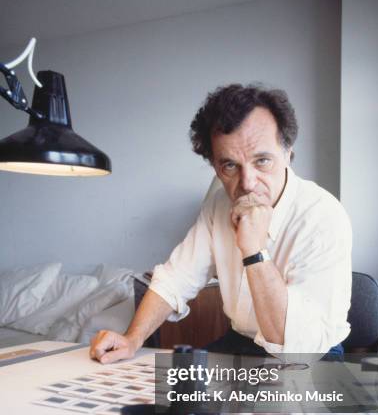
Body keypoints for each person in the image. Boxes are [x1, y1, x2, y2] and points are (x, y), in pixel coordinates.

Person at [90, 84, 352, 364]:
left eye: (262, 161)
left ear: (288, 153)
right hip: (241, 341)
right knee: (171, 394)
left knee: (256, 406)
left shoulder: (323, 216)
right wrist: (133, 338)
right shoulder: (218, 203)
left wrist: (254, 250)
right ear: (215, 166)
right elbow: (176, 278)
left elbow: (291, 344)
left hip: (309, 353)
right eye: (229, 166)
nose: (248, 183)